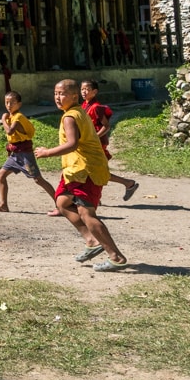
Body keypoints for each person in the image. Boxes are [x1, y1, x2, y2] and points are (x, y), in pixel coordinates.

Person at [35, 79, 127, 271]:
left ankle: (115, 256)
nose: (58, 98)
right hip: (75, 170)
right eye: (56, 93)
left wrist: (46, 152)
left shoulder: (70, 116)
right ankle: (92, 241)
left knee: (86, 213)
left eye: (62, 94)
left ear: (74, 96)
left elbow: (72, 144)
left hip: (86, 171)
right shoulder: (77, 112)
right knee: (62, 203)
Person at [0, 90, 58, 212]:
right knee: (1, 175)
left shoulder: (18, 117)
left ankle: (60, 205)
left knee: (38, 179)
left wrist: (3, 119)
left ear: (19, 104)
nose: (9, 106)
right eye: (6, 103)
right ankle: (4, 205)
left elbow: (10, 131)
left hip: (25, 156)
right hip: (15, 155)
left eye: (12, 103)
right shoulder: (12, 116)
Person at [80, 80, 140, 201]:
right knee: (90, 170)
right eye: (82, 89)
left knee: (95, 170)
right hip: (88, 143)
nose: (84, 92)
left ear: (95, 92)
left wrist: (95, 137)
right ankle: (96, 196)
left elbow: (106, 126)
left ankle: (128, 183)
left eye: (87, 89)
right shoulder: (84, 105)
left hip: (97, 144)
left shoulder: (96, 107)